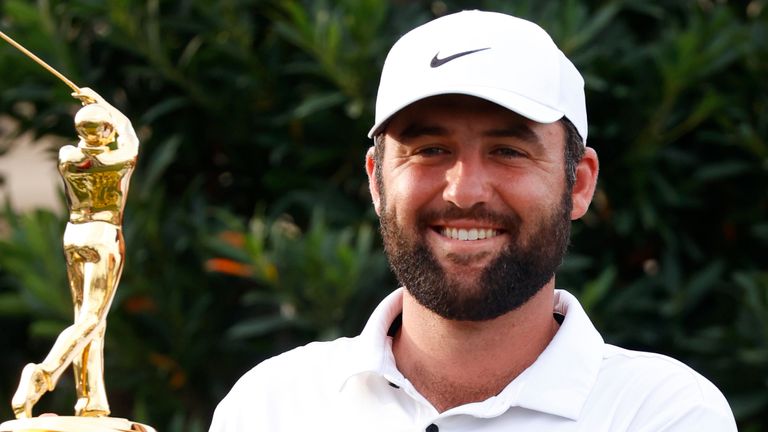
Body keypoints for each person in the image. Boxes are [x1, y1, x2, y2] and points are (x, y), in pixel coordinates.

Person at [209, 10, 736, 431]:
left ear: (578, 183)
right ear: (376, 180)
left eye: (508, 150)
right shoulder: (269, 407)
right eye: (430, 149)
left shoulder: (664, 414)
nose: (464, 191)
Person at [11, 88, 139, 418]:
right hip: (103, 236)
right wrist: (103, 102)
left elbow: (109, 133)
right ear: (106, 131)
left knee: (89, 321)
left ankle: (91, 399)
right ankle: (44, 373)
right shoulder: (116, 159)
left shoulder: (68, 156)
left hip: (74, 234)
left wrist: (95, 109)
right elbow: (131, 135)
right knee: (91, 319)